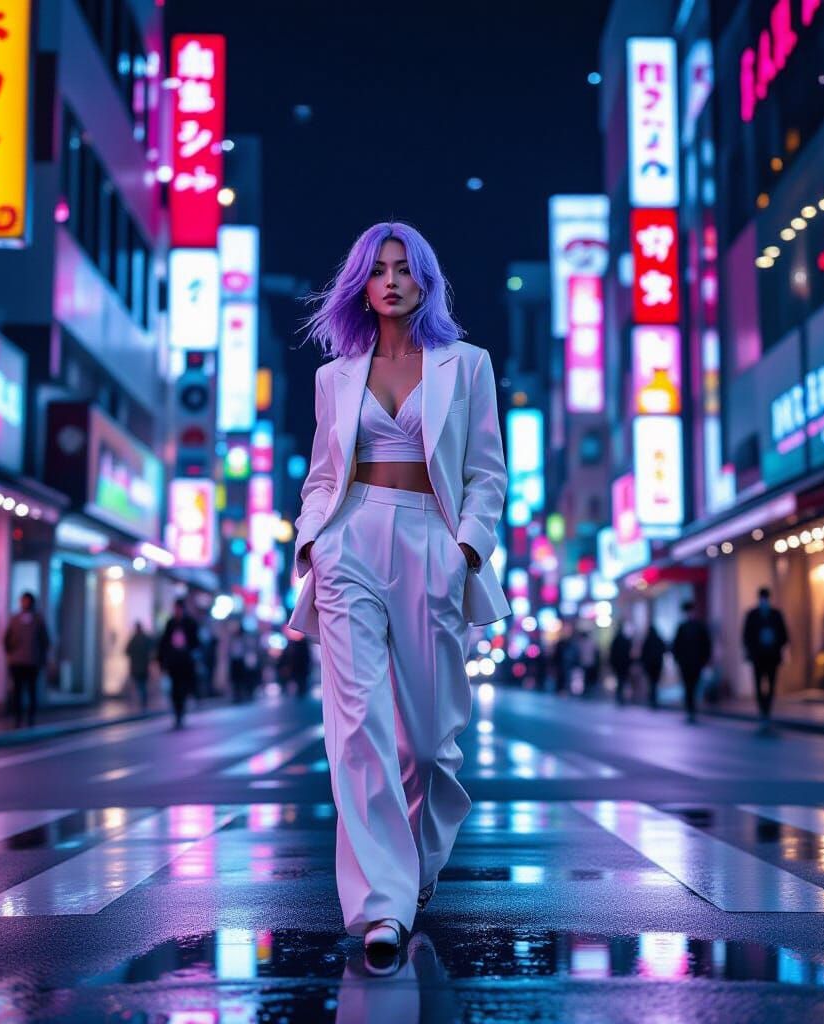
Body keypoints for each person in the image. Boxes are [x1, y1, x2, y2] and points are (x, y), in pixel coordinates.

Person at [288, 222, 510, 966]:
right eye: (377, 269)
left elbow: (487, 474)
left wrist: (467, 548)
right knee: (357, 728)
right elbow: (324, 474)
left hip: (431, 543)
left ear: (424, 282)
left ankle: (413, 868)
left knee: (428, 742)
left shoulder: (467, 365)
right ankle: (380, 904)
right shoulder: (335, 376)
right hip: (350, 541)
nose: (390, 280)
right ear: (361, 282)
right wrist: (312, 539)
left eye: (404, 269)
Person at [742, 587, 789, 728]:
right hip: (758, 657)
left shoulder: (776, 614)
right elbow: (746, 636)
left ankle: (767, 710)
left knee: (771, 684)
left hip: (772, 656)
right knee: (758, 685)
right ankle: (763, 710)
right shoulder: (752, 615)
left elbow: (784, 635)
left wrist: (775, 644)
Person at [3, 592, 50, 728]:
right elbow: (6, 639)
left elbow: (44, 640)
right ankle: (17, 718)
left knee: (31, 690)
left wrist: (42, 658)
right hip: (16, 661)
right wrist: (10, 653)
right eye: (23, 600)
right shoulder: (15, 619)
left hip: (32, 661)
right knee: (17, 690)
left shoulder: (38, 620)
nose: (25, 603)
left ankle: (30, 717)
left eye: (27, 601)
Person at [157, 597, 199, 728]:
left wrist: (192, 655)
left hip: (186, 663)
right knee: (175, 689)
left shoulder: (190, 623)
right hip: (174, 662)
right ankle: (177, 714)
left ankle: (181, 712)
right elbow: (163, 643)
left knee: (183, 688)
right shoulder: (170, 623)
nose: (177, 611)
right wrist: (162, 660)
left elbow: (196, 643)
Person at [672, 600, 712, 723]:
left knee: (693, 687)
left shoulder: (699, 627)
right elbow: (676, 646)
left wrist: (705, 660)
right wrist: (678, 660)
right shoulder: (682, 627)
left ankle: (692, 711)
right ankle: (690, 711)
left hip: (696, 664)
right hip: (686, 664)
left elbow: (706, 645)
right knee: (688, 687)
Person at [227, 619, 260, 703]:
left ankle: (243, 694)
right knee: (235, 680)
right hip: (234, 661)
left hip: (242, 661)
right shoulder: (231, 638)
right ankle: (236, 695)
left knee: (242, 679)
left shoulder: (244, 638)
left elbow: (249, 649)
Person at [125, 622, 155, 711]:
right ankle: (143, 700)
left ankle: (142, 700)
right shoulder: (145, 638)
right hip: (143, 666)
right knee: (143, 684)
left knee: (140, 684)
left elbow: (127, 651)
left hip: (136, 666)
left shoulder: (134, 639)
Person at [639, 624, 666, 709]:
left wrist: (643, 663)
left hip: (650, 666)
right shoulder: (658, 639)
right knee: (654, 683)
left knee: (651, 682)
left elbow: (643, 653)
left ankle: (652, 700)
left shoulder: (647, 640)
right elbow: (664, 649)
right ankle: (654, 700)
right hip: (657, 665)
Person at [609, 624, 633, 705]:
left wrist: (612, 663)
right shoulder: (626, 641)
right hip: (624, 665)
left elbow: (612, 653)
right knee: (622, 681)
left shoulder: (616, 640)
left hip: (618, 665)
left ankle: (620, 697)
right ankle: (621, 697)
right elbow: (629, 654)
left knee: (620, 681)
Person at [576, 630, 600, 696]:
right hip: (591, 663)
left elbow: (578, 654)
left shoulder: (580, 643)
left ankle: (586, 691)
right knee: (589, 679)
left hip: (584, 663)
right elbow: (597, 653)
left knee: (586, 678)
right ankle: (588, 691)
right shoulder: (592, 643)